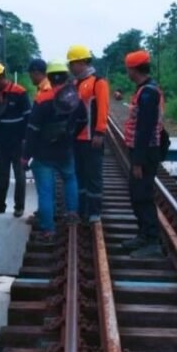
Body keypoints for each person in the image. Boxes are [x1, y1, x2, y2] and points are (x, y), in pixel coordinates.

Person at [22, 60, 86, 241]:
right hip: (65, 150)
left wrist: (26, 156)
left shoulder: (42, 99)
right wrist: (72, 136)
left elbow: (32, 130)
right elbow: (83, 120)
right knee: (70, 178)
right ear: (66, 77)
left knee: (46, 191)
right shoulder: (76, 98)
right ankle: (72, 213)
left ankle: (48, 229)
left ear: (49, 77)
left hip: (43, 153)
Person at [121, 50, 164, 258]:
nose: (127, 72)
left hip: (146, 153)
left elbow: (144, 130)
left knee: (143, 196)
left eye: (127, 69)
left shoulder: (148, 93)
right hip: (143, 152)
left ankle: (152, 240)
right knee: (136, 195)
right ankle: (143, 235)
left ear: (133, 69)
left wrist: (137, 161)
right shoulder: (144, 90)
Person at [67, 44, 110, 223]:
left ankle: (94, 212)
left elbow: (103, 108)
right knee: (79, 175)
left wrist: (100, 132)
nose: (70, 67)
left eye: (73, 63)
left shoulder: (98, 83)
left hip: (92, 138)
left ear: (83, 62)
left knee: (93, 176)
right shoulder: (75, 84)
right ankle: (82, 208)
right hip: (77, 138)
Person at [0, 61, 31, 217]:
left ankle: (19, 207)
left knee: (19, 175)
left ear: (1, 76)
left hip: (18, 141)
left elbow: (28, 117)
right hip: (2, 143)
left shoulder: (20, 92)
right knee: (0, 175)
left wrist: (26, 140)